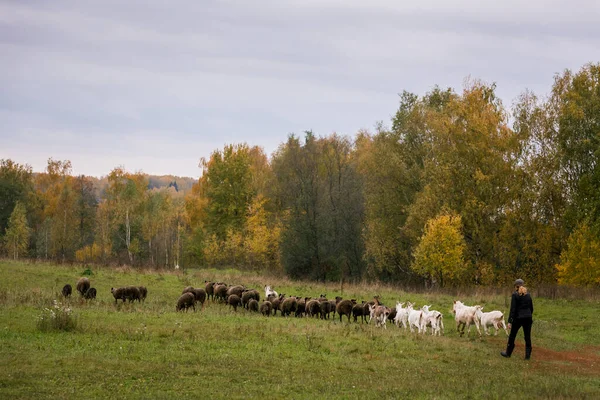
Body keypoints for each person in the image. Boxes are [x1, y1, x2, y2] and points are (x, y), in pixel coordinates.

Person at [501, 278, 534, 360]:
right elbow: (531, 308)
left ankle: (508, 353)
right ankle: (527, 357)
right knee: (527, 337)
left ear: (516, 286)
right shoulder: (528, 295)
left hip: (518, 318)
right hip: (528, 318)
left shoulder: (515, 295)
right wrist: (528, 315)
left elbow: (513, 309)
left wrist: (510, 322)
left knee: (512, 336)